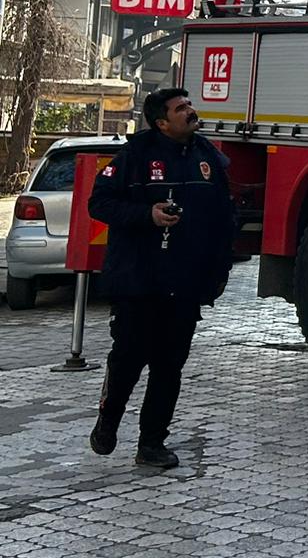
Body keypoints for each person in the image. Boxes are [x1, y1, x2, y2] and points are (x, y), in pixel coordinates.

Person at [87, 89, 235, 470]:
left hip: (184, 285)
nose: (190, 111)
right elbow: (98, 203)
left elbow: (224, 218)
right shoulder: (135, 156)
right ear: (161, 123)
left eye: (189, 105)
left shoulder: (208, 157)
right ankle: (108, 419)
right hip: (138, 281)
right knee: (128, 360)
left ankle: (152, 443)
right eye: (180, 108)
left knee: (169, 368)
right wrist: (146, 215)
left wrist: (219, 272)